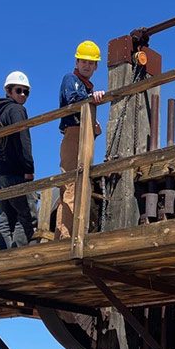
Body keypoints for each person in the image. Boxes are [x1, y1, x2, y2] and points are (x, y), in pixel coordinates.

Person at [56, 41, 105, 239]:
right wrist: (92, 98)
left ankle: (72, 233)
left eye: (91, 63)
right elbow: (73, 99)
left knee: (82, 183)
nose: (87, 65)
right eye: (83, 61)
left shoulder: (85, 86)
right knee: (71, 184)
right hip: (74, 135)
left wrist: (94, 125)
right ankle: (67, 237)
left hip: (84, 135)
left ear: (96, 67)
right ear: (77, 62)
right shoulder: (71, 79)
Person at [0, 71, 37, 248]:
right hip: (16, 172)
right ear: (8, 91)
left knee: (7, 216)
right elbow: (23, 138)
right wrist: (28, 168)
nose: (23, 95)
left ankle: (2, 256)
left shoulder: (2, 112)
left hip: (2, 173)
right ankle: (16, 256)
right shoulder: (17, 110)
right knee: (27, 216)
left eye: (26, 92)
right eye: (19, 90)